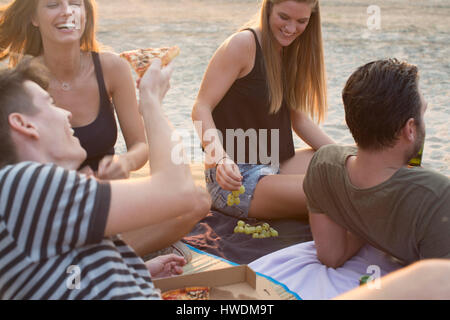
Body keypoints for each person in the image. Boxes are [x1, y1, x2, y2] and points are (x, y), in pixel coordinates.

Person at [0, 57, 211, 299]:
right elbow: (181, 193)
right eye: (50, 103)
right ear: (23, 124)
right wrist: (151, 101)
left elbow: (66, 276)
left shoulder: (27, 196)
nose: (67, 113)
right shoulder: (25, 185)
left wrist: (134, 271)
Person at [192, 0, 334, 221]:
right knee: (337, 189)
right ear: (268, 8)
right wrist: (220, 159)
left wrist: (348, 157)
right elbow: (201, 107)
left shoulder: (290, 50)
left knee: (355, 162)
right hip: (235, 181)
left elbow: (300, 121)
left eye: (301, 21)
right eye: (284, 17)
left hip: (275, 165)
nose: (290, 29)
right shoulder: (242, 45)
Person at [304, 58, 450, 268]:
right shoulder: (438, 196)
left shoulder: (323, 165)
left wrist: (367, 221)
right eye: (422, 114)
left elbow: (331, 256)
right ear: (410, 129)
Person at [0, 0, 148, 179]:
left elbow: (140, 145)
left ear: (85, 14)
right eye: (53, 5)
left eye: (75, 3)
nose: (67, 11)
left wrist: (125, 162)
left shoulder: (113, 68)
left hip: (109, 195)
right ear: (34, 18)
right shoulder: (23, 81)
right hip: (54, 195)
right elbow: (16, 164)